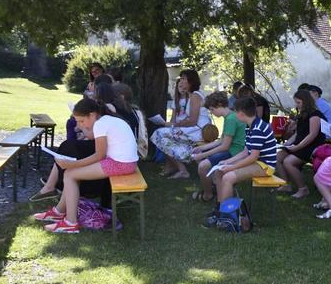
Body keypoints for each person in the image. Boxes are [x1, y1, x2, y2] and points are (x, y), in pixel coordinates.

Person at [33, 98, 138, 233]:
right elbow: (94, 140)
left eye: (82, 121)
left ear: (92, 115)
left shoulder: (100, 124)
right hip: (126, 163)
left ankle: (70, 222)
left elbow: (99, 155)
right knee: (71, 173)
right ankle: (59, 212)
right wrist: (82, 126)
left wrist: (72, 164)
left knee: (70, 174)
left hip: (120, 164)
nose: (79, 125)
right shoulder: (106, 120)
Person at [210, 97, 279, 205]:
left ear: (241, 114)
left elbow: (253, 157)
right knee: (219, 171)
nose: (234, 114)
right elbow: (246, 151)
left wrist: (232, 167)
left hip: (265, 166)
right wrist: (228, 161)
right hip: (257, 162)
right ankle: (220, 205)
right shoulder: (251, 126)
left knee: (228, 177)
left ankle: (226, 212)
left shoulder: (257, 128)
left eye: (236, 112)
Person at [151, 69, 211, 179]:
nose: (181, 81)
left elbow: (193, 120)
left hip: (198, 132)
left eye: (183, 78)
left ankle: (183, 164)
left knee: (159, 134)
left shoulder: (195, 96)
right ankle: (180, 167)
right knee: (161, 137)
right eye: (181, 78)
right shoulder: (193, 95)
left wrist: (174, 125)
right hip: (194, 130)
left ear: (191, 81)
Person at [190, 91, 247, 202]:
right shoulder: (230, 116)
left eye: (212, 109)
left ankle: (208, 194)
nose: (212, 112)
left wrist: (202, 155)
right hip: (231, 150)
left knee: (202, 166)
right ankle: (216, 187)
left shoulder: (231, 119)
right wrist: (202, 148)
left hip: (234, 153)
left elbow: (224, 146)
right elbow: (221, 140)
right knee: (202, 160)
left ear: (220, 105)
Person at [274, 89, 327, 199]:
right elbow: (298, 133)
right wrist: (287, 144)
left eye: (298, 102)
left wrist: (297, 147)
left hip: (312, 146)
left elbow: (312, 135)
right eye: (296, 102)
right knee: (277, 158)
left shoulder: (315, 115)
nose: (296, 105)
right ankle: (285, 184)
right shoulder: (302, 114)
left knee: (288, 162)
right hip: (300, 144)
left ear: (306, 101)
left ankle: (303, 189)